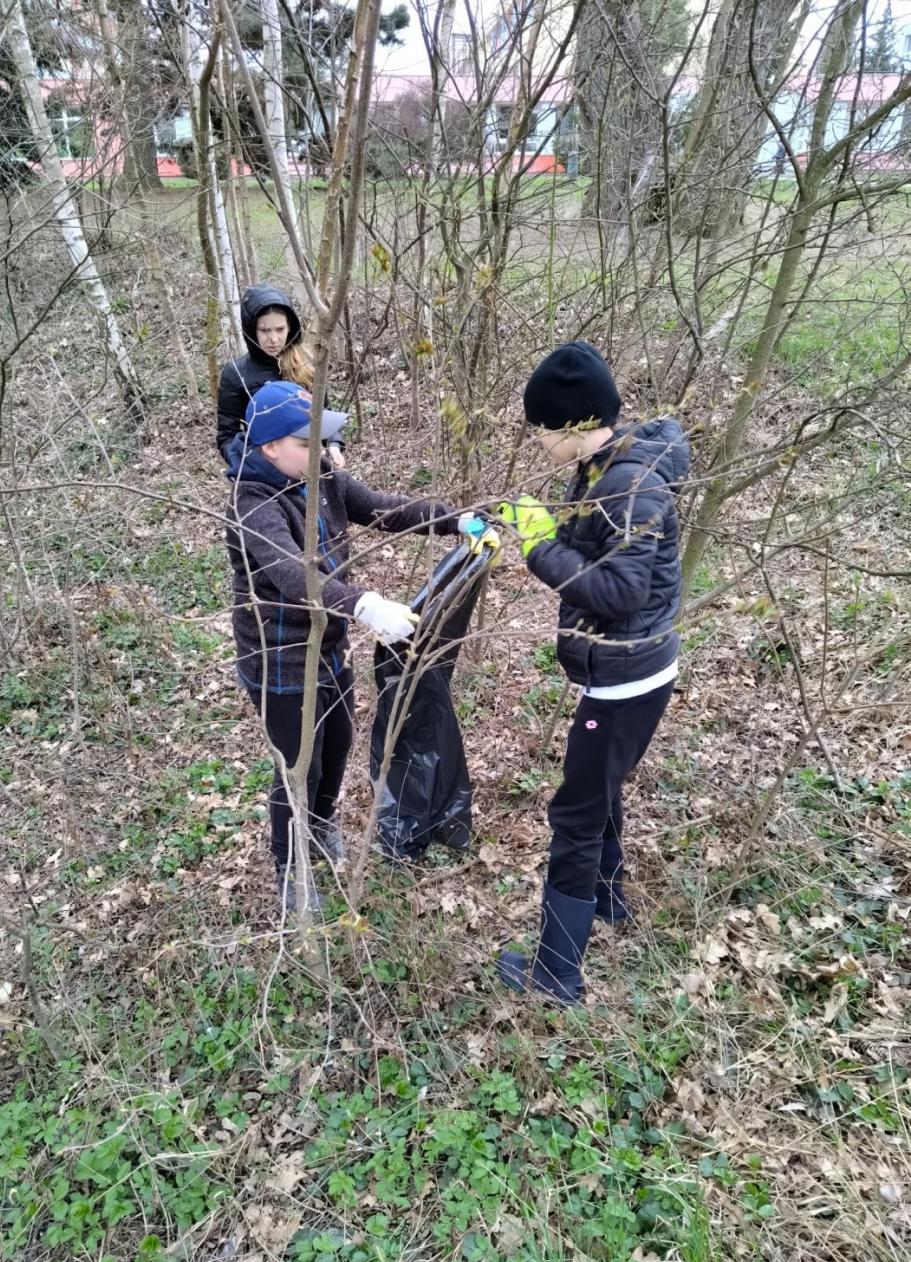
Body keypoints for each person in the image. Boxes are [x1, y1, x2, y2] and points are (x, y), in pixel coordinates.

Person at [225, 380, 495, 911]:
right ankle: (291, 867)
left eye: (323, 441)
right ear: (269, 447)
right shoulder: (249, 502)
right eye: (308, 442)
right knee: (298, 768)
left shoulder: (320, 476)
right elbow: (291, 574)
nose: (322, 452)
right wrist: (365, 604)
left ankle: (321, 828)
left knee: (339, 743)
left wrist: (452, 518)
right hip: (278, 660)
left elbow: (381, 508)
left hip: (329, 647)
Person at [497, 342, 689, 1004]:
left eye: (541, 430)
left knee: (574, 817)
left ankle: (555, 972)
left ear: (575, 423)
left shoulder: (629, 484)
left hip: (623, 679)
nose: (537, 442)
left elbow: (616, 591)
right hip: (628, 669)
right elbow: (598, 549)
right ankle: (607, 898)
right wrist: (549, 529)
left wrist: (535, 545)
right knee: (599, 791)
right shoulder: (606, 468)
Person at [217, 283, 346, 470]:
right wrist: (251, 466)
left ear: (290, 328)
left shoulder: (306, 364)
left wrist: (334, 445)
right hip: (266, 475)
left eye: (280, 329)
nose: (273, 339)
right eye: (265, 331)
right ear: (251, 330)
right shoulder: (236, 374)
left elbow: (324, 414)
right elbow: (227, 436)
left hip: (310, 465)